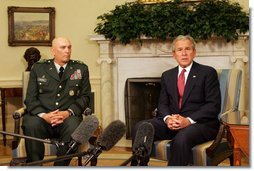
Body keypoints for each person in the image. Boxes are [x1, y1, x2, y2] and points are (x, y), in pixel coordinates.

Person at [131, 35, 221, 166]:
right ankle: (140, 166)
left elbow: (213, 106)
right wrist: (168, 119)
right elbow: (162, 104)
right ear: (174, 54)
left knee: (181, 138)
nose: (183, 53)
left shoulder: (207, 73)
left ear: (194, 52)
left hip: (199, 124)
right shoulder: (167, 75)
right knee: (141, 127)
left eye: (187, 49)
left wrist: (188, 120)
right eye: (179, 50)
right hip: (173, 123)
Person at [22, 37, 91, 166]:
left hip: (67, 118)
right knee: (30, 123)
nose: (67, 51)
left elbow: (85, 97)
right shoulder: (38, 68)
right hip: (42, 118)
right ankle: (35, 166)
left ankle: (60, 166)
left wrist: (68, 112)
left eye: (69, 47)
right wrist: (44, 115)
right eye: (63, 47)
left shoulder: (80, 68)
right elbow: (30, 99)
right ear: (53, 51)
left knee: (75, 126)